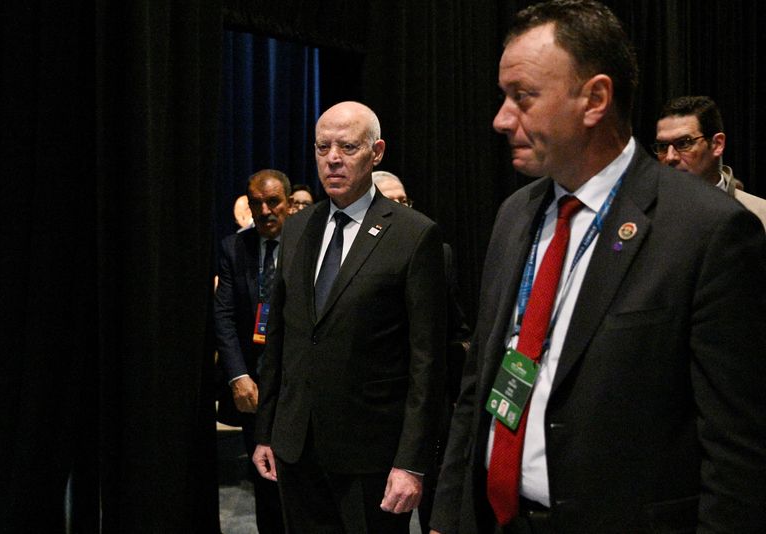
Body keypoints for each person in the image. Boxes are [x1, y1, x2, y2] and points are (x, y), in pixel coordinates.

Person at [430, 1, 766, 533]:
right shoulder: (514, 215)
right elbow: (479, 387)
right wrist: (448, 516)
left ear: (595, 99)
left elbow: (739, 454)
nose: (500, 119)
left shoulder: (707, 230)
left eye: (522, 97)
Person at [252, 101, 447, 533]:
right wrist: (266, 431)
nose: (333, 158)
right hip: (296, 448)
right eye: (323, 147)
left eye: (347, 146)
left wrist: (412, 463)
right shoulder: (299, 227)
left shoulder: (414, 235)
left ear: (376, 152)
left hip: (371, 458)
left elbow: (427, 361)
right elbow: (281, 339)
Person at [372, 170, 471, 533]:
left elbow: (455, 327)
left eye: (404, 201)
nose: (400, 209)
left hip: (433, 406)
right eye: (390, 202)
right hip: (381, 412)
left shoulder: (438, 253)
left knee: (437, 513)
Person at [214, 169, 291, 533]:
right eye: (255, 203)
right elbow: (224, 316)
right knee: (264, 478)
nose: (264, 211)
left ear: (289, 204)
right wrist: (237, 374)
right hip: (253, 384)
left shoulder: (308, 244)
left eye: (273, 201)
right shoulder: (235, 247)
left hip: (297, 379)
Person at [654, 95, 766, 230]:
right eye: (663, 146)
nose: (670, 157)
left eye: (684, 143)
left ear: (717, 144)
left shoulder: (759, 215)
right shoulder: (641, 215)